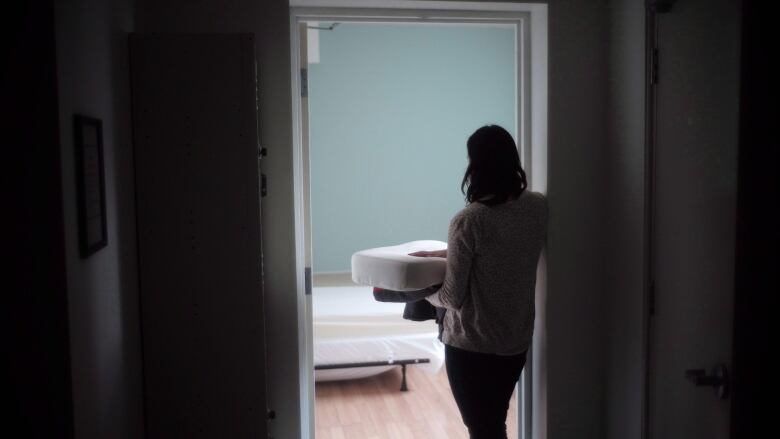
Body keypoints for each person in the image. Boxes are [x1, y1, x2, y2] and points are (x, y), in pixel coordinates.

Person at [410, 125, 548, 439]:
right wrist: (446, 251)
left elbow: (452, 297)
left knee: (482, 430)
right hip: (514, 341)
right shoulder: (536, 207)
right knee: (493, 424)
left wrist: (421, 292)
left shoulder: (469, 219)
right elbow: (503, 247)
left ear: (476, 166)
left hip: (472, 347)